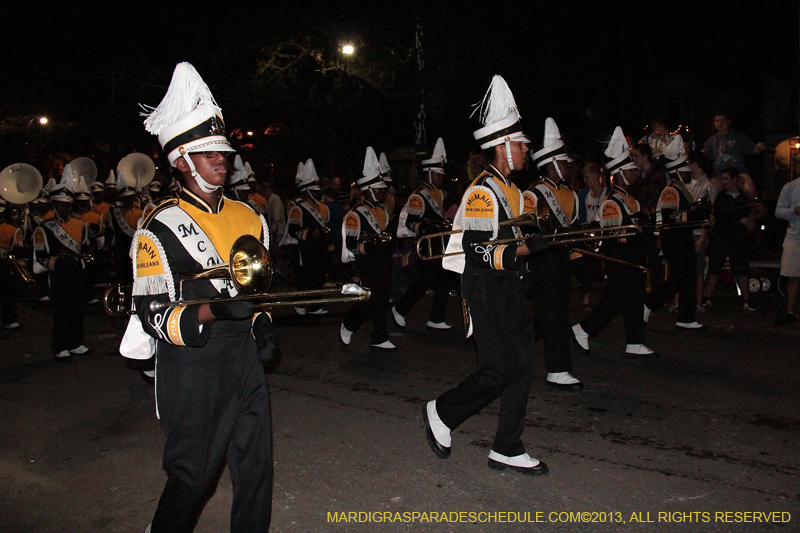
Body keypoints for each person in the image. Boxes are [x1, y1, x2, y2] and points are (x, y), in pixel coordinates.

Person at [134, 62, 275, 533]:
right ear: (181, 161)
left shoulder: (250, 217)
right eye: (208, 152)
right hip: (194, 365)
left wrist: (262, 323)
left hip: (243, 358)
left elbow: (257, 292)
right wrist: (215, 309)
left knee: (255, 470)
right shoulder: (158, 225)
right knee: (193, 478)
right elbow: (153, 314)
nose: (222, 159)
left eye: (223, 151)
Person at [424, 75, 548, 475]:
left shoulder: (513, 190)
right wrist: (528, 249)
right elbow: (479, 252)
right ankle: (442, 411)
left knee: (522, 365)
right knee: (497, 370)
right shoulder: (483, 192)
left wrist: (533, 243)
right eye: (521, 143)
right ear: (503, 146)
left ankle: (507, 446)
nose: (526, 149)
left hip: (509, 287)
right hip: (485, 289)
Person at [572, 126, 656, 358]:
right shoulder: (612, 202)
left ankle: (634, 341)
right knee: (616, 300)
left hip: (630, 258)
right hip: (619, 258)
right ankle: (583, 329)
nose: (636, 173)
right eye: (630, 170)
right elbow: (615, 236)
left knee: (632, 298)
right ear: (620, 173)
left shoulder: (629, 198)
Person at [526, 117, 583, 392]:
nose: (568, 167)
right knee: (554, 313)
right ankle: (557, 369)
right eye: (564, 163)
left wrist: (577, 260)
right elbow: (527, 231)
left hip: (560, 259)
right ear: (551, 164)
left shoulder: (569, 195)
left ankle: (516, 343)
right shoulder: (534, 194)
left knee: (552, 312)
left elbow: (570, 229)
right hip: (542, 259)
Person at [644, 140, 707, 330]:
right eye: (686, 171)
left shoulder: (681, 189)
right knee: (680, 279)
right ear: (677, 172)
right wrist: (697, 215)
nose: (689, 173)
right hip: (674, 241)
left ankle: (685, 317)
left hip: (682, 240)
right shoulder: (671, 191)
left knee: (685, 278)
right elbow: (670, 216)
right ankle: (650, 304)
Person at [392, 137, 453, 331]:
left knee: (443, 280)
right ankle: (400, 309)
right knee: (425, 281)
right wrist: (427, 228)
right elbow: (410, 221)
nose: (441, 178)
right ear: (429, 174)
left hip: (438, 244)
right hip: (426, 245)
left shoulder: (439, 193)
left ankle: (436, 318)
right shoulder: (418, 196)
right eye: (438, 174)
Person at [32, 166, 91, 361]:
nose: (64, 208)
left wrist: (86, 256)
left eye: (67, 204)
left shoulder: (80, 224)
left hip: (76, 272)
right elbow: (41, 255)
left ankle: (76, 342)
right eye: (59, 204)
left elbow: (84, 246)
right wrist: (59, 264)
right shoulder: (45, 227)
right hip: (59, 273)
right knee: (62, 310)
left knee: (77, 308)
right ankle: (60, 345)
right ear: (54, 205)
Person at [340, 147, 395, 350]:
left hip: (383, 261)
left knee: (382, 298)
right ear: (370, 189)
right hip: (367, 264)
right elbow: (352, 246)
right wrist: (372, 244)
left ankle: (380, 337)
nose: (383, 192)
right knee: (369, 299)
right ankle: (348, 323)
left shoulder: (383, 211)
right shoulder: (355, 215)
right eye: (380, 189)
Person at [702, 167, 766, 311]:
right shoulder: (720, 197)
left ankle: (746, 300)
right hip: (721, 236)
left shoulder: (744, 198)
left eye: (726, 179)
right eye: (722, 179)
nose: (723, 182)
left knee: (741, 269)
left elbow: (762, 210)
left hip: (737, 238)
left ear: (734, 180)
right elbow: (712, 213)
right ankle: (708, 298)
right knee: (714, 268)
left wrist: (751, 219)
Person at [286, 158, 334, 315]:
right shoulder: (298, 208)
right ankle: (300, 304)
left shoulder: (323, 208)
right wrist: (310, 234)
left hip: (319, 249)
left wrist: (330, 248)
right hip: (305, 249)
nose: (318, 193)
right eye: (314, 190)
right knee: (304, 279)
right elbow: (293, 230)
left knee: (319, 277)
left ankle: (315, 306)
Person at [702, 111, 765, 197]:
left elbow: (753, 150)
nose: (720, 123)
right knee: (709, 193)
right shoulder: (710, 141)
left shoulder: (739, 136)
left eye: (723, 121)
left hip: (739, 173)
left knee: (750, 190)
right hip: (719, 175)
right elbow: (704, 158)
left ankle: (754, 206)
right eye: (717, 121)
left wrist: (759, 148)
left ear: (728, 122)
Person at [687, 151, 717, 311]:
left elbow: (709, 214)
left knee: (698, 270)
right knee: (684, 269)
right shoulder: (688, 183)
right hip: (687, 231)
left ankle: (698, 302)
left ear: (695, 165)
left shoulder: (708, 186)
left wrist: (703, 236)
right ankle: (681, 302)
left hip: (698, 232)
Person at [774, 155, 800, 325]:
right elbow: (778, 212)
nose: (796, 166)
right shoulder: (790, 187)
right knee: (792, 276)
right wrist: (793, 211)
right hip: (794, 237)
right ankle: (790, 312)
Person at [109, 172, 143, 285]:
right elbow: (111, 232)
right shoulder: (115, 212)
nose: (128, 200)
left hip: (136, 250)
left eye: (130, 197)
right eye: (126, 198)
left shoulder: (140, 213)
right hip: (121, 250)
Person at [0, 198, 24, 330]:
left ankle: (9, 319)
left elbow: (18, 249)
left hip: (5, 264)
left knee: (8, 293)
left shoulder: (12, 229)